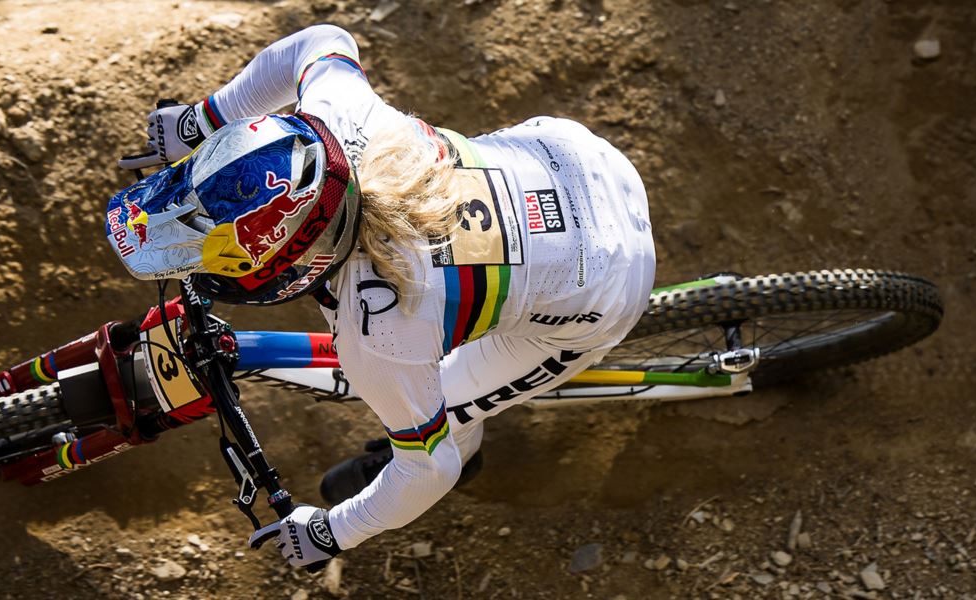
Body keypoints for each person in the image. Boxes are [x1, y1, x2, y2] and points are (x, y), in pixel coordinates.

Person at [107, 24, 655, 568]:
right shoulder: (338, 118)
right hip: (580, 159)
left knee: (450, 413)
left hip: (610, 280)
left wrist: (335, 532)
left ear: (296, 262)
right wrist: (201, 122)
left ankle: (470, 439)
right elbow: (321, 41)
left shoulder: (383, 335)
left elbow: (429, 469)